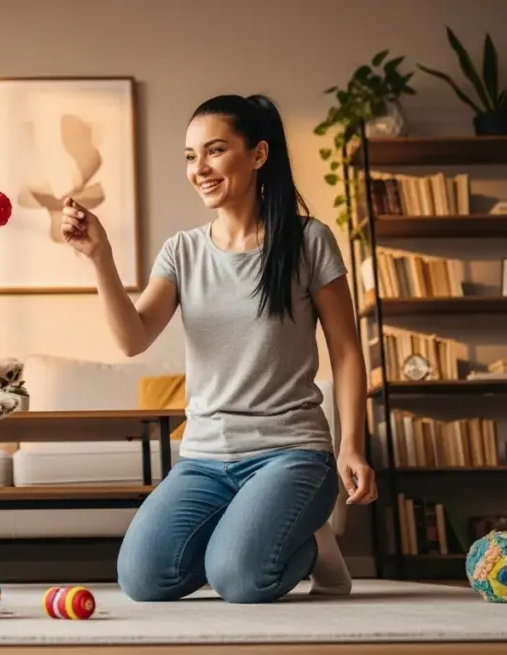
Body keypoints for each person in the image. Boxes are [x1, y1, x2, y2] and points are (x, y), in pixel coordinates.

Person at [59, 93, 376, 604]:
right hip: (204, 459)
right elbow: (132, 338)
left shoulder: (309, 240)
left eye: (214, 151)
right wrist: (100, 259)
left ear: (258, 155)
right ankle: (261, 532)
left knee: (240, 580)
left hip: (290, 452)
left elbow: (346, 350)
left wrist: (352, 446)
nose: (199, 168)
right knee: (143, 579)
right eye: (190, 156)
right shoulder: (182, 251)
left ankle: (309, 545)